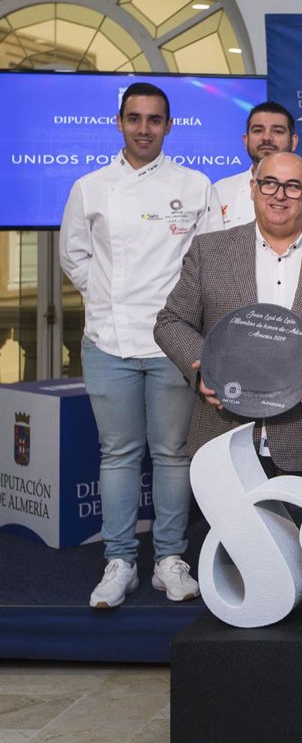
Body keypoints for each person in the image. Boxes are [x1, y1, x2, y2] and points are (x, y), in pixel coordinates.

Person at [60, 82, 222, 608]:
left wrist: (185, 321)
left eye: (154, 120)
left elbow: (207, 261)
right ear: (120, 122)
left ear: (168, 126)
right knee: (118, 454)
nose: (144, 129)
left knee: (172, 454)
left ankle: (170, 559)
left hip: (175, 342)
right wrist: (106, 297)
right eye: (135, 118)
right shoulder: (90, 187)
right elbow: (74, 256)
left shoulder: (195, 185)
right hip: (109, 339)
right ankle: (120, 561)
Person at [154, 152, 302, 494]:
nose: (279, 195)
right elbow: (170, 321)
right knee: (225, 532)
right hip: (224, 436)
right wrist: (204, 365)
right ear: (253, 188)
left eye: (293, 187)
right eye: (269, 184)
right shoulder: (210, 250)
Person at [213, 102, 300, 227]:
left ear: (293, 141)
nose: (267, 137)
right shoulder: (220, 191)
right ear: (246, 140)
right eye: (258, 130)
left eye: (277, 131)